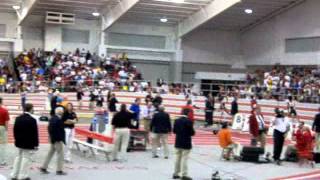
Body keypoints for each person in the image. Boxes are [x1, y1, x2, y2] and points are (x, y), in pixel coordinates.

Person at [11, 104, 38, 180]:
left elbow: (15, 130)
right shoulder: (32, 120)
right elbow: (34, 133)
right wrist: (36, 144)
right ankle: (22, 175)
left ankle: (14, 174)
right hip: (28, 143)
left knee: (18, 157)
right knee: (26, 159)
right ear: (31, 109)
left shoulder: (18, 118)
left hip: (19, 141)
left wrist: (16, 139)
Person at [40, 107, 67, 175]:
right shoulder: (57, 119)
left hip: (53, 139)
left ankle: (44, 167)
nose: (63, 112)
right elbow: (56, 130)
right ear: (59, 111)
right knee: (60, 154)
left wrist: (51, 137)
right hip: (57, 139)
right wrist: (58, 139)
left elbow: (49, 128)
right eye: (62, 111)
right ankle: (59, 170)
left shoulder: (52, 118)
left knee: (50, 153)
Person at [173, 109, 195, 180]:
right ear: (188, 113)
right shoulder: (188, 121)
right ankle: (184, 174)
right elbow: (192, 133)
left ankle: (175, 173)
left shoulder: (177, 120)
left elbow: (174, 131)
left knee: (177, 157)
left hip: (178, 141)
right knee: (184, 158)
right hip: (186, 142)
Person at [0, 97, 9, 166]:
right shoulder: (5, 110)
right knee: (2, 145)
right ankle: (2, 161)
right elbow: (6, 122)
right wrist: (6, 130)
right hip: (2, 127)